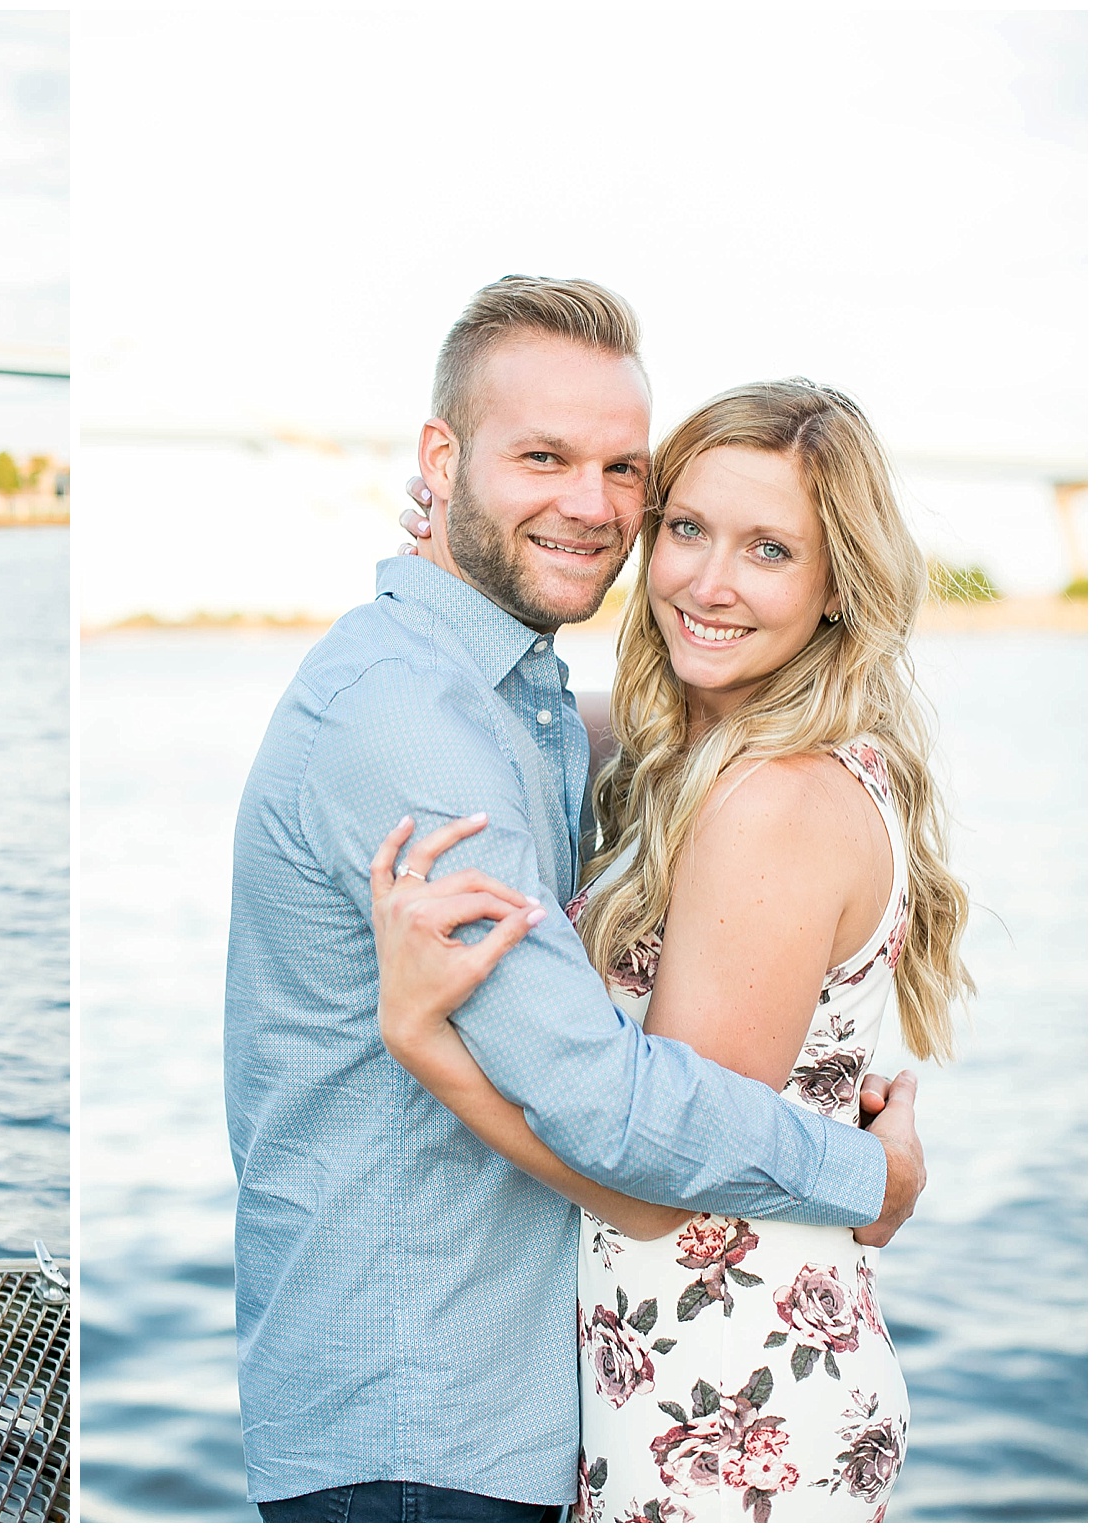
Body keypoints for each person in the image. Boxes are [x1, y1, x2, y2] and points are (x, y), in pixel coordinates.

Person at [223, 276, 929, 1522]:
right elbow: (620, 1118)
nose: (592, 508)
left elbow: (640, 1135)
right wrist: (867, 1178)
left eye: (620, 475)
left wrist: (474, 522)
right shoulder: (425, 721)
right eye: (543, 458)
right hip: (424, 1424)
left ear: (836, 581)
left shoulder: (540, 717)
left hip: (672, 1397)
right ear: (438, 458)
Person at [374, 378, 969, 1521]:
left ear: (836, 584)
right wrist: (461, 547)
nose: (706, 581)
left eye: (767, 550)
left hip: (731, 1405)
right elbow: (510, 712)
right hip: (684, 1373)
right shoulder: (697, 758)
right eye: (686, 529)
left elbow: (661, 1166)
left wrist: (423, 1041)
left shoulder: (775, 802)